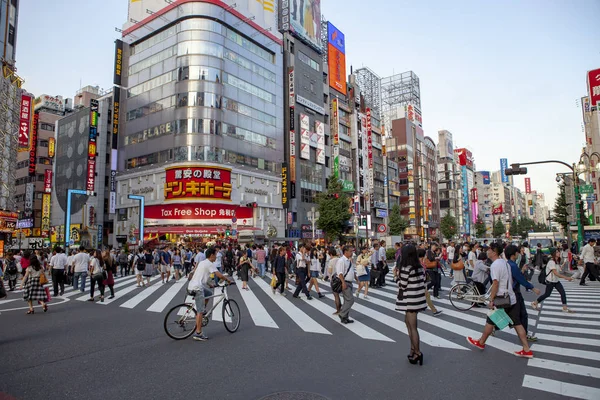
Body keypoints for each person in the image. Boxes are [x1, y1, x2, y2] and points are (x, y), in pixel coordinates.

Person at [467, 242, 534, 358]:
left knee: (490, 320)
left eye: (489, 250)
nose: (487, 251)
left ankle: (481, 342)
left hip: (501, 298)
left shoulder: (495, 265)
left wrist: (491, 299)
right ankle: (526, 349)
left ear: (494, 251)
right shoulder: (505, 263)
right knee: (517, 323)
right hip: (511, 297)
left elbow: (495, 283)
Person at [187, 248, 231, 341]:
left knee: (209, 293)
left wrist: (210, 284)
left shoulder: (203, 262)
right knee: (200, 311)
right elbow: (219, 275)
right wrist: (228, 280)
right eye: (215, 254)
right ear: (211, 255)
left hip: (192, 285)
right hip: (197, 288)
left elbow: (202, 275)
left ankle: (203, 311)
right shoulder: (210, 264)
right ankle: (198, 333)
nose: (216, 256)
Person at [396, 244, 426, 365]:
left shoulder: (406, 268)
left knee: (412, 327)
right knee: (409, 324)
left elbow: (402, 285)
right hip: (418, 299)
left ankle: (417, 352)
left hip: (410, 301)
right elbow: (423, 282)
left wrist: (396, 277)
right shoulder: (419, 267)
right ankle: (413, 349)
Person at [505, 245, 541, 342]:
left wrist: (522, 270)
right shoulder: (512, 265)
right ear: (513, 254)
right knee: (520, 315)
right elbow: (520, 279)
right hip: (515, 293)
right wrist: (532, 288)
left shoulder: (509, 264)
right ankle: (524, 335)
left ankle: (492, 327)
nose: (518, 254)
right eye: (517, 252)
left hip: (513, 292)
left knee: (512, 314)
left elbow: (516, 277)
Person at [531, 248, 574, 312]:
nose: (559, 253)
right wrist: (566, 278)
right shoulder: (551, 262)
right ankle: (535, 303)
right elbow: (556, 273)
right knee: (547, 294)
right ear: (554, 253)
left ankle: (564, 308)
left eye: (558, 252)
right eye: (557, 252)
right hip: (550, 282)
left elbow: (558, 270)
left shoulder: (557, 261)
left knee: (562, 293)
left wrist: (563, 264)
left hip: (556, 281)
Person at [417, 248, 442, 316]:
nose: (426, 255)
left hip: (422, 283)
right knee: (426, 296)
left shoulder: (421, 261)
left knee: (426, 296)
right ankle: (434, 310)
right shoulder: (418, 263)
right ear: (422, 255)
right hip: (420, 283)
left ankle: (433, 310)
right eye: (425, 254)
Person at [335, 245, 355, 324]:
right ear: (345, 252)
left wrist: (356, 278)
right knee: (350, 299)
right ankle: (342, 314)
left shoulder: (348, 260)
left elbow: (351, 270)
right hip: (345, 282)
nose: (352, 253)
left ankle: (345, 317)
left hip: (349, 282)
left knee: (347, 300)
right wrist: (343, 282)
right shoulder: (341, 260)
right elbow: (340, 273)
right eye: (350, 251)